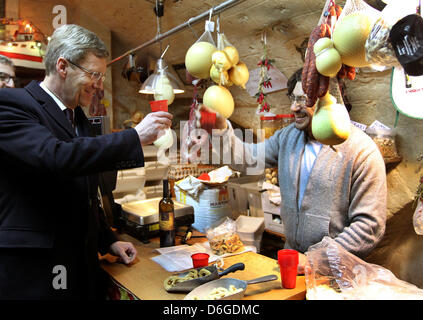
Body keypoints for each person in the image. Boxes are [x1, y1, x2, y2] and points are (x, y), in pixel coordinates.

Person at [0, 24, 172, 299]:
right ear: (63, 66)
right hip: (35, 273)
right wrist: (134, 137)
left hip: (81, 267)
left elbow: (83, 196)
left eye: (102, 76)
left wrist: (108, 240)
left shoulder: (78, 117)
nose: (100, 85)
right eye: (94, 75)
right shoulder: (12, 104)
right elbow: (56, 157)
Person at [192, 68, 387, 271]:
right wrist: (221, 130)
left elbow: (369, 226)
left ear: (329, 98)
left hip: (336, 271)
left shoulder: (362, 151)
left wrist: (318, 259)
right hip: (292, 261)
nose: (294, 107)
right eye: (293, 98)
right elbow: (249, 159)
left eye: (303, 99)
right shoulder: (288, 137)